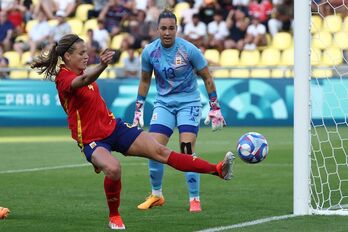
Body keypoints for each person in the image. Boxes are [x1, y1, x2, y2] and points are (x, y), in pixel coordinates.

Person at [30, 33, 234, 230]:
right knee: (114, 168)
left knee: (160, 151)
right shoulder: (64, 78)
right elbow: (82, 83)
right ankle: (114, 216)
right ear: (67, 56)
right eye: (82, 53)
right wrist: (101, 65)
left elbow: (86, 84)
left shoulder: (82, 71)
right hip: (93, 140)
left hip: (115, 128)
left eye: (87, 52)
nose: (86, 56)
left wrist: (98, 66)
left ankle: (218, 170)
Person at [132, 9, 227, 213]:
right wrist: (138, 109)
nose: (167, 32)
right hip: (164, 103)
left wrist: (215, 106)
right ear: (157, 29)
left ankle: (194, 199)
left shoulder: (189, 50)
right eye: (163, 28)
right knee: (153, 149)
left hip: (189, 103)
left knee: (186, 150)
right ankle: (156, 195)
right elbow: (145, 80)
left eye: (171, 28)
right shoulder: (149, 52)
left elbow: (207, 77)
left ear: (177, 29)